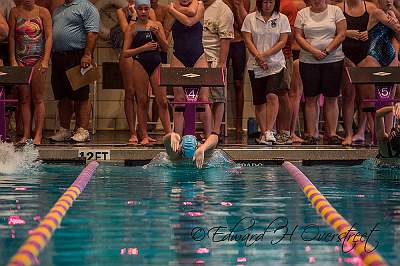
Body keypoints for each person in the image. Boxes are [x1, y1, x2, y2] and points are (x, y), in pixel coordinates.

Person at [294, 0, 347, 145]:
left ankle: (332, 133)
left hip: (333, 59)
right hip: (309, 60)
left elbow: (341, 34)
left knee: (332, 97)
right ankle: (312, 134)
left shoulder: (335, 11)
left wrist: (327, 51)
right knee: (311, 98)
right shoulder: (302, 13)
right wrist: (313, 51)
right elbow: (298, 36)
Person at [122, 0, 172, 144]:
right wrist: (143, 48)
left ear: (150, 10)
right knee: (142, 101)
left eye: (146, 9)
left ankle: (168, 134)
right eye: (140, 9)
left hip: (156, 63)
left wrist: (159, 35)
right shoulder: (132, 28)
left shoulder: (157, 25)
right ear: (136, 11)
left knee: (162, 100)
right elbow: (125, 52)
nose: (143, 12)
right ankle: (144, 135)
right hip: (139, 64)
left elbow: (165, 48)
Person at [50, 0, 100, 142]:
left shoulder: (86, 7)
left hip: (78, 55)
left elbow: (93, 33)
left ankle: (82, 130)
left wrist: (87, 54)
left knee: (82, 95)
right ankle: (64, 129)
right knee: (63, 95)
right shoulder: (58, 10)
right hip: (59, 56)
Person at [353, 0, 400, 144]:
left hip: (391, 57)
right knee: (373, 100)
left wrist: (395, 18)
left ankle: (389, 136)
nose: (388, 1)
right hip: (374, 56)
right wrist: (395, 21)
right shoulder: (376, 12)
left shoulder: (391, 13)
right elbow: (395, 27)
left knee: (389, 100)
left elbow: (398, 35)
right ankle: (376, 135)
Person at [164, 0, 212, 138]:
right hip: (179, 57)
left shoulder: (200, 6)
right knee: (179, 99)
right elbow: (166, 33)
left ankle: (209, 139)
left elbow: (189, 22)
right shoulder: (172, 12)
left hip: (199, 57)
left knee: (203, 99)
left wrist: (173, 10)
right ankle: (177, 139)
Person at [8, 0, 52, 145]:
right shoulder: (14, 12)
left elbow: (49, 37)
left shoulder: (43, 12)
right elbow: (12, 38)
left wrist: (45, 59)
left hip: (38, 60)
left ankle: (38, 134)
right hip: (21, 61)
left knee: (38, 98)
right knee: (24, 99)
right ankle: (26, 134)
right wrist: (13, 60)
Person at [337, 0, 376, 145]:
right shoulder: (339, 8)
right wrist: (346, 33)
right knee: (348, 95)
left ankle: (361, 131)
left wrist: (369, 33)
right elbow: (329, 29)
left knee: (365, 97)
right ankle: (348, 133)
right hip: (345, 56)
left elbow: (381, 29)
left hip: (364, 56)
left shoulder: (370, 8)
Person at [203, 0, 234, 138]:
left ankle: (215, 131)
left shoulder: (223, 9)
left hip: (215, 59)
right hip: (198, 58)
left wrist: (222, 62)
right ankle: (206, 130)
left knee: (218, 97)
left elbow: (225, 38)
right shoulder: (195, 6)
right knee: (203, 99)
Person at [223, 0, 250, 134]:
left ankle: (239, 124)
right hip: (223, 42)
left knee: (239, 83)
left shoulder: (243, 1)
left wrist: (236, 6)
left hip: (238, 42)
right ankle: (220, 123)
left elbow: (243, 27)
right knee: (219, 82)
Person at [116, 0, 139, 144]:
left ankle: (143, 132)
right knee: (130, 92)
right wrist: (134, 16)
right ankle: (133, 132)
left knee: (143, 95)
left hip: (145, 52)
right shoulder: (121, 12)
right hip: (128, 53)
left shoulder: (149, 10)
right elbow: (127, 32)